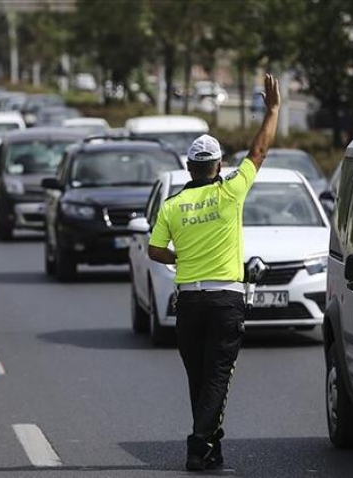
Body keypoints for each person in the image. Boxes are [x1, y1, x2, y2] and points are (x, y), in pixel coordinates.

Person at [147, 73, 281, 471]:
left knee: (199, 378)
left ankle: (211, 447)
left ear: (189, 167)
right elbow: (258, 150)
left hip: (188, 301)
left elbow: (155, 250)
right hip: (226, 300)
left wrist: (181, 258)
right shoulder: (230, 192)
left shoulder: (172, 206)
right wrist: (273, 109)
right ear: (219, 165)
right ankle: (197, 445)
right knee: (218, 377)